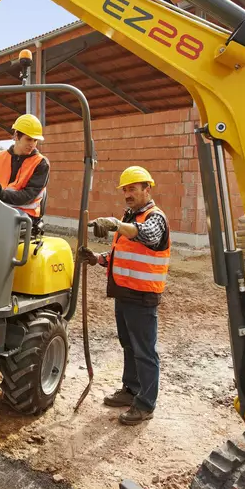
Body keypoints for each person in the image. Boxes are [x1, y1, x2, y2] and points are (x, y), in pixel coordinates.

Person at [79, 166, 170, 425]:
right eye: (125, 189)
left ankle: (145, 404)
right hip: (125, 292)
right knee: (129, 345)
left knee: (144, 351)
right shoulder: (130, 217)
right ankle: (131, 390)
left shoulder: (154, 217)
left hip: (142, 296)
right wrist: (97, 258)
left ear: (147, 189)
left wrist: (117, 224)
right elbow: (122, 256)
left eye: (133, 188)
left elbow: (149, 238)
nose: (128, 194)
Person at [0, 114, 49, 218]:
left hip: (24, 212)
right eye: (29, 139)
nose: (32, 144)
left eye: (35, 140)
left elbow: (28, 196)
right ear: (17, 136)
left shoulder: (41, 163)